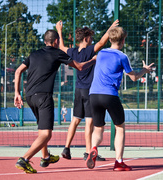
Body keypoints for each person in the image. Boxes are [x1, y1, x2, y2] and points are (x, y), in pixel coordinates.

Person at [13, 22, 96, 173]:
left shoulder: (33, 54)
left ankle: (45, 157)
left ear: (45, 41)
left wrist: (17, 93)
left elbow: (18, 71)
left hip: (29, 96)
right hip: (44, 97)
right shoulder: (58, 53)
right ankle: (24, 159)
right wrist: (94, 60)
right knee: (46, 134)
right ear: (56, 41)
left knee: (41, 129)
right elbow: (80, 66)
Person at [86, 26, 154, 171]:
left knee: (98, 128)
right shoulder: (122, 56)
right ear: (123, 40)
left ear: (110, 39)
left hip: (93, 94)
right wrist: (145, 70)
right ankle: (119, 162)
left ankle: (93, 148)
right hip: (109, 94)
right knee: (120, 128)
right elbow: (134, 77)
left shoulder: (101, 53)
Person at [58, 20, 119, 161]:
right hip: (89, 90)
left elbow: (61, 46)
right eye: (91, 38)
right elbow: (103, 42)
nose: (93, 40)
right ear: (86, 39)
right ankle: (88, 152)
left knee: (75, 120)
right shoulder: (89, 50)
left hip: (78, 90)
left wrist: (59, 30)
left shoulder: (73, 52)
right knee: (89, 122)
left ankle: (66, 148)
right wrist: (110, 28)